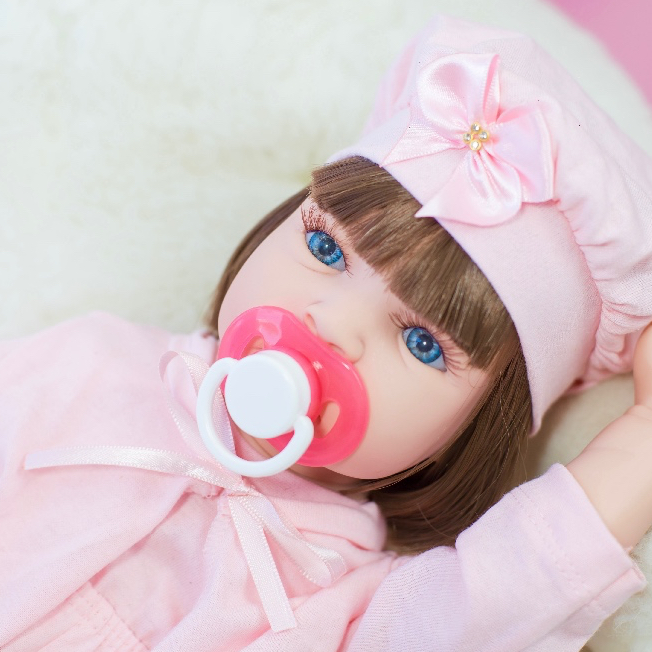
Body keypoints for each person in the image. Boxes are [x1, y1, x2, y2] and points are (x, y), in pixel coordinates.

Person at [1, 14, 652, 652]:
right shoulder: (91, 364)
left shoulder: (345, 602)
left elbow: (510, 590)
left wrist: (644, 434)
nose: (333, 324)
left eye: (421, 343)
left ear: (473, 431)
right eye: (326, 248)